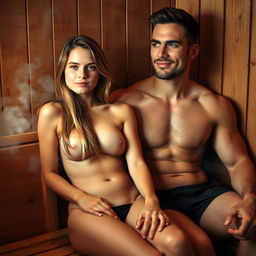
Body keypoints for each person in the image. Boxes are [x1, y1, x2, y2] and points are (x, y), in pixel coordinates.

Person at [37, 35, 215, 256]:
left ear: (99, 71)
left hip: (132, 201)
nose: (82, 75)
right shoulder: (53, 113)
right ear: (63, 69)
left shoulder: (119, 111)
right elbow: (49, 174)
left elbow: (136, 162)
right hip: (89, 211)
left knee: (178, 242)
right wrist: (82, 198)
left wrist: (151, 199)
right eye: (74, 67)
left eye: (90, 67)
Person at [111, 7, 256, 256]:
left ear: (193, 51)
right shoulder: (125, 101)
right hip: (150, 197)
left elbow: (236, 162)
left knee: (253, 224)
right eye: (155, 44)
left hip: (201, 194)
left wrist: (250, 198)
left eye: (172, 44)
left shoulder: (213, 104)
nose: (161, 53)